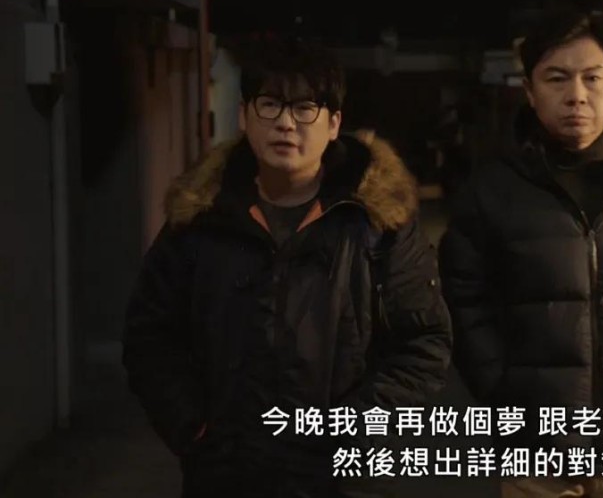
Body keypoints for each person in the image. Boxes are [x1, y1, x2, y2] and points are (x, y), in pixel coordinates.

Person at [123, 34, 452, 498]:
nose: (285, 123)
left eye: (304, 108)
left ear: (333, 123)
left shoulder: (377, 224)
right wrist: (194, 428)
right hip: (226, 477)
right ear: (244, 115)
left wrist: (353, 429)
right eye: (270, 104)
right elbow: (149, 335)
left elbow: (424, 342)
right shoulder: (199, 220)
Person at [439, 10, 603, 498]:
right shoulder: (490, 193)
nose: (577, 95)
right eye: (557, 78)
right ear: (530, 89)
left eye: (593, 77)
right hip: (534, 452)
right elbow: (462, 297)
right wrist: (498, 385)